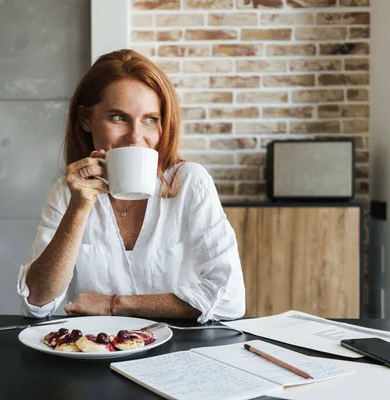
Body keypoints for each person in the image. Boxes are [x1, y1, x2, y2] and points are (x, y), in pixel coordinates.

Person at [16, 49, 245, 323]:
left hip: (176, 353)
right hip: (95, 353)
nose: (136, 136)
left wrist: (115, 304)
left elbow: (230, 300)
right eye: (118, 117)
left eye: (150, 119)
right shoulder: (68, 192)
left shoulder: (189, 183)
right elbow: (37, 302)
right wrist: (79, 208)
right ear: (85, 120)